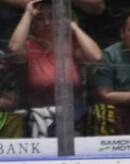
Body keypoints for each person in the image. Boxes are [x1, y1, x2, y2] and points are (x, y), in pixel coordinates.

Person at [7, 0, 102, 136]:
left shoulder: (71, 46)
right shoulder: (28, 48)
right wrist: (28, 13)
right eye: (40, 19)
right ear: (33, 24)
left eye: (53, 17)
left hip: (73, 118)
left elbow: (96, 57)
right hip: (36, 119)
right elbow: (13, 49)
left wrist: (72, 25)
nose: (47, 23)